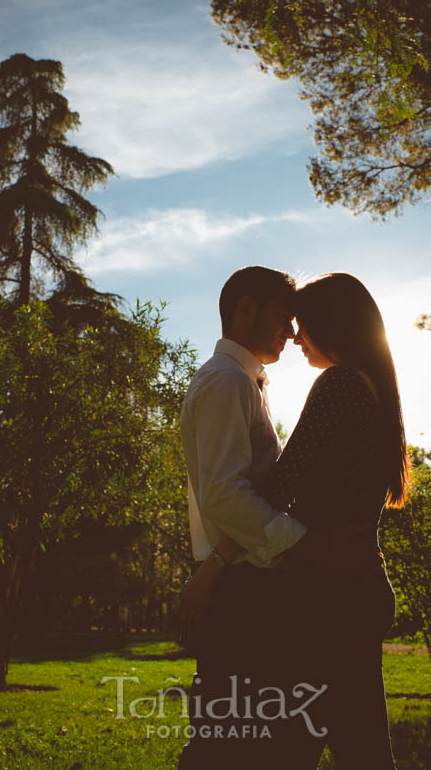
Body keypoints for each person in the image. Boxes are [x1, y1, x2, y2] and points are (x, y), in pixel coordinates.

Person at [180, 272, 409, 769]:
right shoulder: (368, 387)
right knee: (354, 746)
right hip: (354, 584)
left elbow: (282, 488)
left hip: (335, 592)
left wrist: (215, 564)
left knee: (298, 744)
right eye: (289, 321)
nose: (295, 335)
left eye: (302, 323)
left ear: (334, 325)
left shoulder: (340, 385)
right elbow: (286, 492)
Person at [176, 265, 311, 768]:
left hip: (240, 580)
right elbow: (224, 494)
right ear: (246, 308)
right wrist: (296, 542)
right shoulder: (226, 381)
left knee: (242, 739)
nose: (292, 332)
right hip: (242, 592)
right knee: (226, 742)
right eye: (283, 317)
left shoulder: (245, 380)